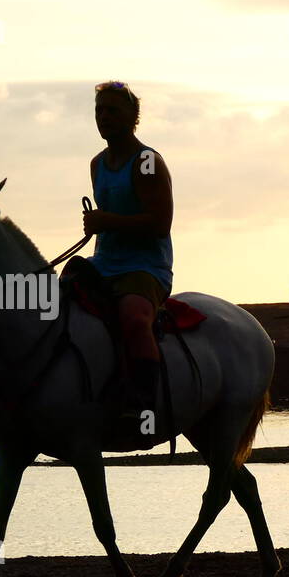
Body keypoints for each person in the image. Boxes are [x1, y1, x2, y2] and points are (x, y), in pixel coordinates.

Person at [79, 80, 175, 420]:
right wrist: (100, 224)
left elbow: (160, 223)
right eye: (99, 110)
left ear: (133, 117)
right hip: (104, 262)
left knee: (134, 319)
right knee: (48, 309)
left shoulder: (146, 161)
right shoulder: (97, 163)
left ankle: (145, 405)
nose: (103, 116)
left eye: (112, 110)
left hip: (145, 267)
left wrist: (107, 221)